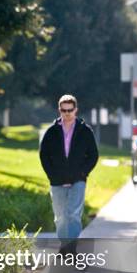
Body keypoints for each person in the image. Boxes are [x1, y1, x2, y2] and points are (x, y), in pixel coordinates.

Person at [39, 94, 99, 247]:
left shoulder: (85, 131)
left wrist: (83, 173)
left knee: (72, 214)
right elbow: (43, 154)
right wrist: (51, 174)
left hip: (78, 180)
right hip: (57, 180)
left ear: (75, 110)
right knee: (60, 217)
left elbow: (93, 155)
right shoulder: (51, 132)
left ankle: (70, 247)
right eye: (63, 110)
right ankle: (65, 244)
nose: (67, 113)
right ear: (59, 110)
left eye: (70, 110)